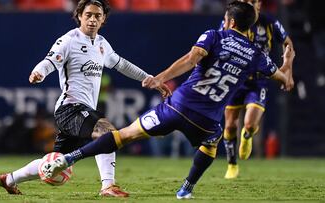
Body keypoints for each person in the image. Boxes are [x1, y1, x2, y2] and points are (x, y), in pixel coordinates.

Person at [42, 1, 294, 199]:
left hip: (177, 106)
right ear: (250, 26)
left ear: (228, 21)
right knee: (210, 145)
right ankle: (186, 189)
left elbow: (190, 59)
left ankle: (68, 158)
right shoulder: (257, 54)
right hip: (207, 120)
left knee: (123, 135)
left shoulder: (215, 36)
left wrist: (158, 78)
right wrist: (288, 63)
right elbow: (283, 80)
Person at [0, 0, 165, 197]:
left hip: (82, 109)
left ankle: (9, 179)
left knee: (56, 162)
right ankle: (108, 186)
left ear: (103, 20)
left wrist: (148, 78)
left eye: (97, 16)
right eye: (88, 15)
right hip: (70, 108)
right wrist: (38, 72)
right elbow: (50, 60)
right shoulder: (69, 40)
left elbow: (121, 64)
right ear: (79, 16)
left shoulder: (102, 44)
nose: (92, 19)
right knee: (107, 132)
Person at [220, 0, 295, 179]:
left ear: (259, 4)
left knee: (250, 124)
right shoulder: (231, 21)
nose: (248, 4)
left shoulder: (269, 23)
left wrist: (288, 71)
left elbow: (288, 45)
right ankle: (232, 165)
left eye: (252, 1)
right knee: (230, 125)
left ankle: (247, 135)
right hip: (234, 79)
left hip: (258, 81)